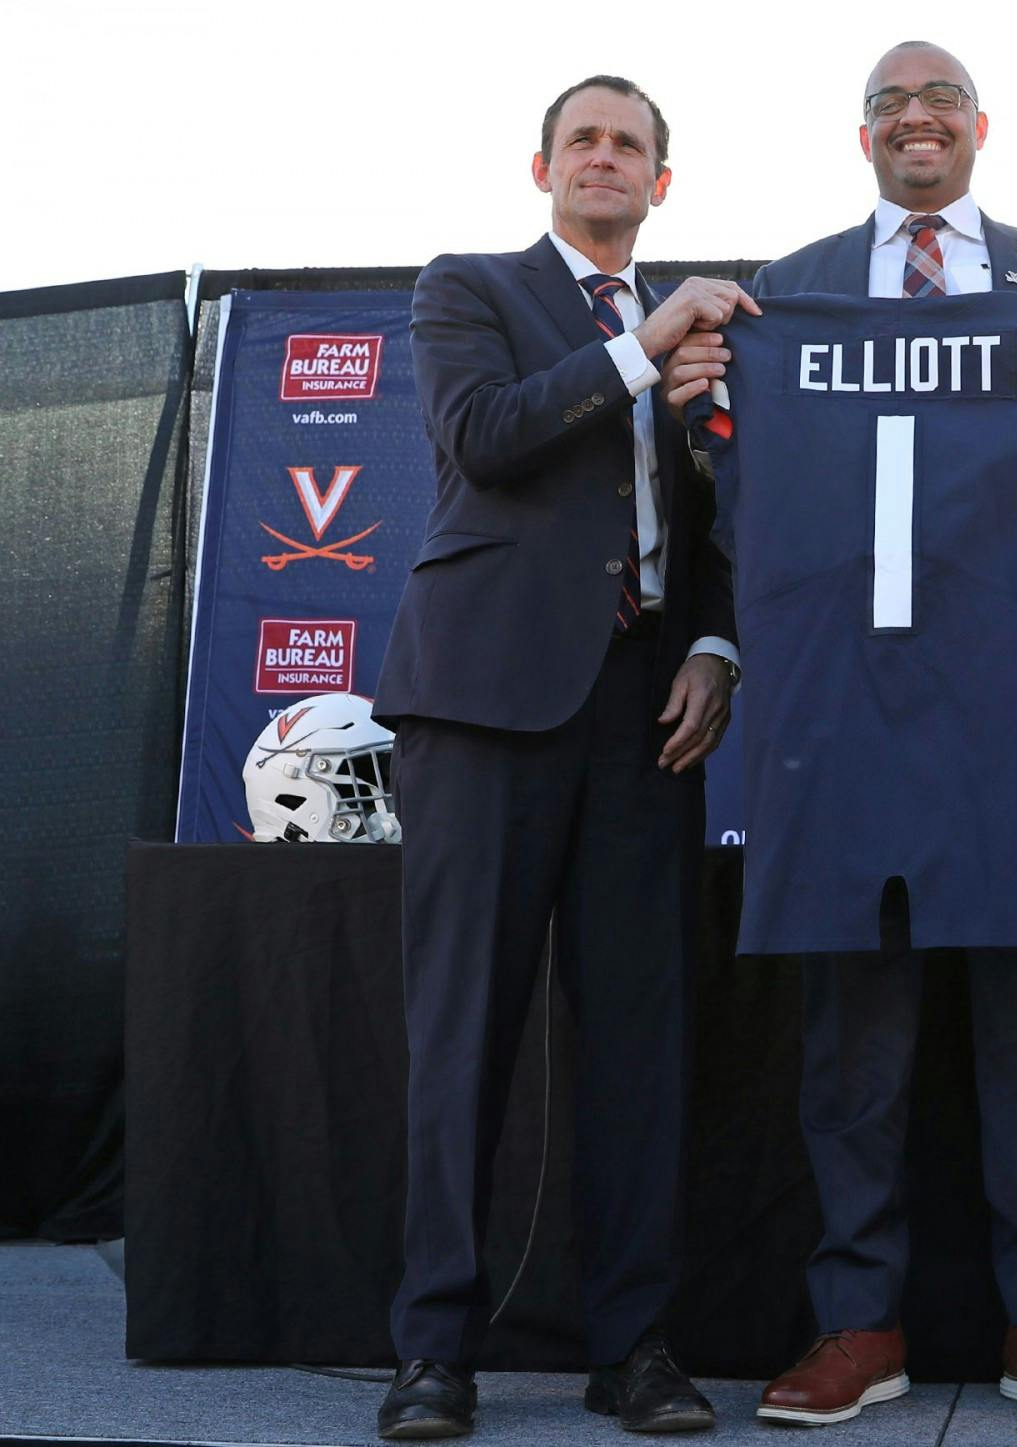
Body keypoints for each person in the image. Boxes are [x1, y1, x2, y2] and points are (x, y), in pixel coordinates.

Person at [659, 40, 1017, 1431]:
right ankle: (856, 1323)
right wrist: (706, 408)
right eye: (890, 102)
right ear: (863, 136)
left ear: (982, 127)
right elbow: (739, 513)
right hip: (844, 710)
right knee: (853, 1037)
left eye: (940, 98)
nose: (917, 119)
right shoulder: (791, 291)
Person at [370, 74, 757, 1439]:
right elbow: (483, 437)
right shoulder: (466, 288)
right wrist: (642, 347)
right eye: (583, 139)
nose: (606, 158)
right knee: (462, 1032)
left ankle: (634, 1347)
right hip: (482, 706)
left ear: (664, 182)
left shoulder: (703, 342)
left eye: (631, 145)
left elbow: (721, 518)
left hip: (647, 713)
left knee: (643, 1045)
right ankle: (433, 1351)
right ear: (544, 169)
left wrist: (717, 649)